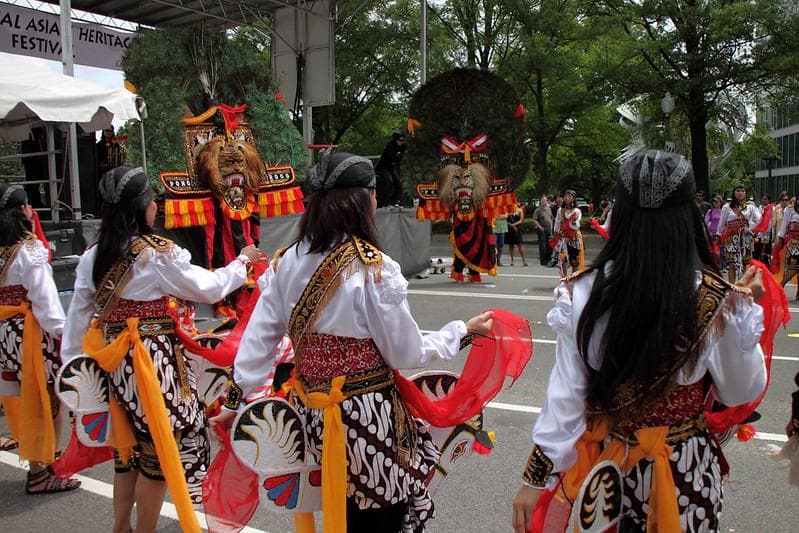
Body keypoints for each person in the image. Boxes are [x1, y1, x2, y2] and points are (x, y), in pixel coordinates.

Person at [210, 151, 493, 533]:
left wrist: (234, 402)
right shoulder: (372, 266)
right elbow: (404, 351)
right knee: (378, 518)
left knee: (338, 509)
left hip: (311, 412)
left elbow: (258, 344)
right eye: (374, 193)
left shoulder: (286, 262)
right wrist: (460, 332)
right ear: (363, 201)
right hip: (366, 417)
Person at [512, 150, 767, 533]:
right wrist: (742, 318)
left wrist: (535, 479)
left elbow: (566, 397)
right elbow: (739, 391)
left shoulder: (584, 292)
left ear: (622, 217)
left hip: (610, 472)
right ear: (688, 218)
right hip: (686, 470)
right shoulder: (716, 297)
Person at [60, 166, 264, 533]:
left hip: (113, 361)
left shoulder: (93, 256)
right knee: (155, 454)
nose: (156, 204)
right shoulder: (155, 255)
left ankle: (122, 527)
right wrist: (243, 262)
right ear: (141, 207)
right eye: (152, 199)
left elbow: (77, 319)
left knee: (129, 454)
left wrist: (73, 374)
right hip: (151, 364)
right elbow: (209, 289)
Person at [0, 183, 80, 494]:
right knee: (48, 400)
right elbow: (46, 305)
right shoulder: (28, 250)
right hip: (30, 334)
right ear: (23, 211)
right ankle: (41, 470)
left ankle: (42, 458)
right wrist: (67, 335)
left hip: (6, 332)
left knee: (30, 397)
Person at [716, 184, 761, 283]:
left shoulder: (750, 208)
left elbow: (759, 220)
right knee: (731, 264)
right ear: (734, 193)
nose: (740, 193)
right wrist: (718, 235)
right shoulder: (727, 207)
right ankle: (731, 287)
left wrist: (750, 229)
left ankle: (743, 287)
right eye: (738, 191)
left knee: (745, 263)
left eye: (742, 191)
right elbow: (722, 223)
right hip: (731, 238)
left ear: (745, 193)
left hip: (745, 238)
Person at [552, 189, 583, 276]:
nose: (566, 197)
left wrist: (573, 222)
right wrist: (556, 233)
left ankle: (573, 279)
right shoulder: (560, 210)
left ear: (573, 198)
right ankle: (564, 279)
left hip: (573, 238)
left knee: (574, 261)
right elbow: (557, 223)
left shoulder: (577, 211)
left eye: (569, 196)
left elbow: (577, 225)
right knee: (562, 260)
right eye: (565, 196)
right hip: (563, 237)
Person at [775, 193, 799, 299]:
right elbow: (784, 225)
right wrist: (780, 239)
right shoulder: (790, 209)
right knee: (795, 263)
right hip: (794, 241)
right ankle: (780, 286)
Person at [375, 132, 406, 207]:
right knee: (389, 182)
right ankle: (385, 202)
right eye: (400, 140)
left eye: (402, 140)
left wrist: (400, 155)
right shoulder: (390, 146)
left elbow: (400, 159)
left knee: (398, 183)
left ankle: (394, 201)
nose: (401, 142)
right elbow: (392, 157)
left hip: (391, 168)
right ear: (396, 140)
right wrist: (398, 155)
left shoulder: (402, 147)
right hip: (383, 167)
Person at [532, 196, 553, 266]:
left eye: (545, 200)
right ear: (540, 201)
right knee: (543, 246)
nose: (544, 201)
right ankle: (543, 261)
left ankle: (549, 258)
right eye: (542, 200)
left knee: (549, 245)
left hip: (549, 229)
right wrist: (540, 227)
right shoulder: (538, 210)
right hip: (542, 229)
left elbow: (551, 218)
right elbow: (534, 220)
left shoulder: (549, 209)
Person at [506, 202, 528, 266]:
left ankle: (524, 261)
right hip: (510, 228)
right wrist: (510, 225)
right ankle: (512, 261)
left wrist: (514, 225)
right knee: (511, 245)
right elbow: (505, 219)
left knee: (520, 244)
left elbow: (521, 220)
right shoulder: (508, 210)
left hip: (517, 229)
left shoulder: (519, 210)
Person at [705, 194, 724, 269]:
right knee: (712, 249)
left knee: (722, 250)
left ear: (720, 202)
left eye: (717, 201)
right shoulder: (710, 211)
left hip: (721, 233)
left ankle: (723, 265)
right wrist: (708, 232)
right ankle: (713, 264)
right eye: (714, 201)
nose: (715, 203)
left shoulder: (723, 211)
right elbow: (706, 222)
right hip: (712, 232)